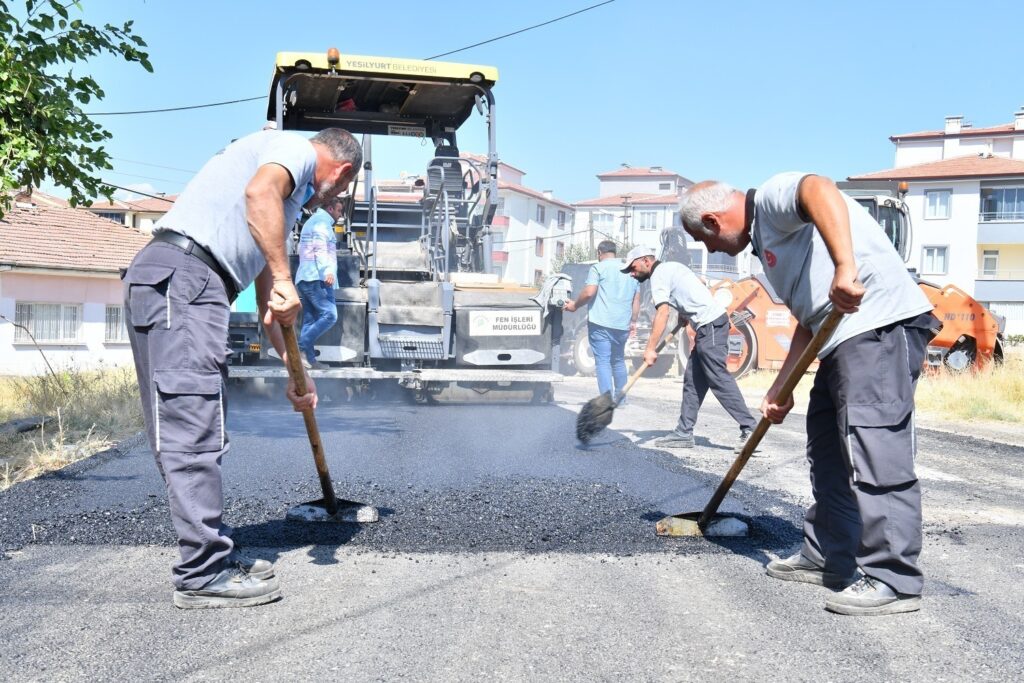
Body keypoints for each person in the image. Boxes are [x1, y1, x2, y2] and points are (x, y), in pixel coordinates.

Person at [679, 172, 939, 616]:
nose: (710, 250)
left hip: (875, 326)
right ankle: (830, 557)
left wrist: (845, 268)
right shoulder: (770, 244)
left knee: (875, 446)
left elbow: (818, 187)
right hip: (839, 337)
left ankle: (894, 579)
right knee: (825, 447)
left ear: (712, 218)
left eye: (705, 240)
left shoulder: (774, 198)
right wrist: (782, 388)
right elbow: (809, 317)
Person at [122, 127, 361, 609]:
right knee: (192, 427)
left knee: (196, 423)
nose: (334, 195)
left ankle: (210, 552)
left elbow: (269, 298)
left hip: (191, 284)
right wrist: (286, 279)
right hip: (186, 281)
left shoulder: (281, 201)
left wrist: (299, 373)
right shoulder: (292, 153)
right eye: (342, 188)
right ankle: (201, 574)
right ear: (343, 171)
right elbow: (260, 197)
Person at [622, 246, 756, 450]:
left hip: (710, 326)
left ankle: (751, 429)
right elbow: (698, 285)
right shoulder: (672, 267)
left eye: (633, 267)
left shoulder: (658, 275)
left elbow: (662, 314)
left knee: (717, 377)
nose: (632, 273)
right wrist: (687, 313)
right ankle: (684, 432)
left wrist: (650, 349)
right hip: (709, 325)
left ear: (646, 261)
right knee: (693, 380)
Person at [563, 240, 640, 402]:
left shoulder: (597, 268)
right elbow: (636, 300)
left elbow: (589, 292)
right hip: (622, 325)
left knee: (603, 362)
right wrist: (633, 321)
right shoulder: (630, 270)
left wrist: (575, 305)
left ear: (599, 253)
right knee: (618, 360)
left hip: (601, 324)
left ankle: (606, 400)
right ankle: (621, 399)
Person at [296, 195, 345, 368]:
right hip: (317, 277)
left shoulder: (314, 221)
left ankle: (309, 360)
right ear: (330, 209)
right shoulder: (322, 223)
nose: (341, 215)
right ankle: (299, 348)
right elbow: (320, 249)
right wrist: (328, 271)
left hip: (308, 277)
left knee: (310, 321)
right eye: (339, 211)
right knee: (330, 315)